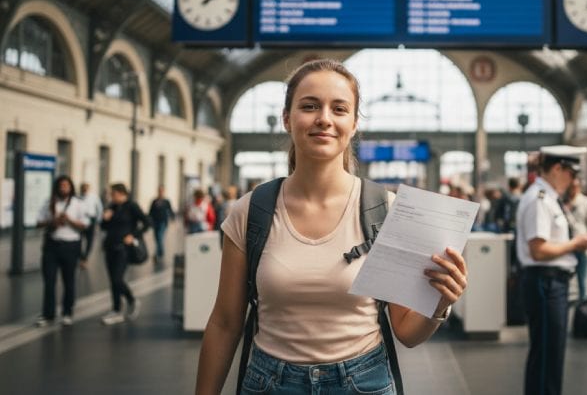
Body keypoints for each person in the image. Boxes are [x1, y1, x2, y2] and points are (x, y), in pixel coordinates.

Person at [195, 60, 468, 395]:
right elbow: (224, 323)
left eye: (339, 109)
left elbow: (407, 332)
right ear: (287, 118)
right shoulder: (251, 210)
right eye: (309, 106)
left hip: (364, 382)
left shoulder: (386, 209)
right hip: (269, 384)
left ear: (353, 124)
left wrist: (439, 303)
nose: (324, 118)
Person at [515, 145, 587, 395]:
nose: (574, 180)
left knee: (550, 354)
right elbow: (538, 249)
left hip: (550, 283)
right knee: (548, 355)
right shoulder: (540, 199)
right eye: (571, 173)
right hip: (545, 282)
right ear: (558, 168)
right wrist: (575, 244)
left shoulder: (547, 197)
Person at [35, 175, 88, 327]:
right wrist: (53, 221)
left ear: (71, 188)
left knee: (69, 281)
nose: (64, 188)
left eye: (66, 186)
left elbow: (84, 225)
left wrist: (69, 220)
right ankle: (48, 314)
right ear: (57, 187)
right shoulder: (49, 202)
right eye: (61, 186)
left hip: (70, 246)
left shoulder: (78, 203)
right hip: (51, 246)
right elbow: (38, 222)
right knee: (49, 281)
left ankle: (67, 312)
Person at [100, 183, 150, 325]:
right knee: (112, 281)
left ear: (122, 193)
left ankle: (132, 300)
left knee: (117, 279)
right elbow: (103, 227)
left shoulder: (132, 206)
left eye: (113, 194)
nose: (111, 197)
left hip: (123, 249)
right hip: (110, 246)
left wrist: (133, 235)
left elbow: (147, 222)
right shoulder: (112, 207)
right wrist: (105, 218)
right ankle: (116, 310)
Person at [564, 177, 587, 301]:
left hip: (583, 248)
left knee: (583, 282)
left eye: (575, 187)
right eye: (570, 187)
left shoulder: (586, 202)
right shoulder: (562, 201)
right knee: (565, 282)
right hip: (566, 247)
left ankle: (583, 310)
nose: (573, 190)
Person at [78, 182, 104, 269]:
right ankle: (81, 257)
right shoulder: (77, 197)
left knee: (90, 241)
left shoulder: (93, 197)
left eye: (86, 188)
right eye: (83, 188)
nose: (84, 190)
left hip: (91, 219)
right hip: (80, 220)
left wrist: (98, 221)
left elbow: (99, 208)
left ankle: (85, 258)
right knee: (78, 240)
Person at [148, 185, 175, 263]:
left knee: (160, 237)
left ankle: (157, 253)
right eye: (159, 190)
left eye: (162, 191)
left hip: (163, 222)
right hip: (155, 222)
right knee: (157, 238)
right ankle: (160, 251)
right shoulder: (154, 201)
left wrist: (172, 217)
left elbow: (170, 210)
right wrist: (149, 220)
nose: (160, 192)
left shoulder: (166, 201)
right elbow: (150, 211)